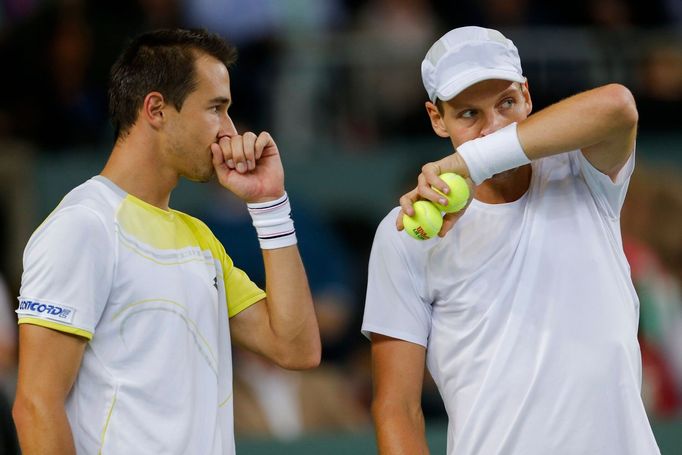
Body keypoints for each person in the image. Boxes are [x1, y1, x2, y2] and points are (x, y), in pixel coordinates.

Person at [12, 28, 320, 455]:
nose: (230, 131)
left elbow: (296, 348)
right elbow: (35, 406)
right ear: (156, 108)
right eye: (217, 109)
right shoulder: (84, 225)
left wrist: (270, 206)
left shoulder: (199, 238)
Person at [362, 26, 661, 454]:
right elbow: (397, 410)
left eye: (506, 103)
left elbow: (618, 105)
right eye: (469, 114)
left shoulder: (582, 171)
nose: (494, 127)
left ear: (527, 95)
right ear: (436, 118)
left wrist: (470, 161)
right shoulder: (405, 233)